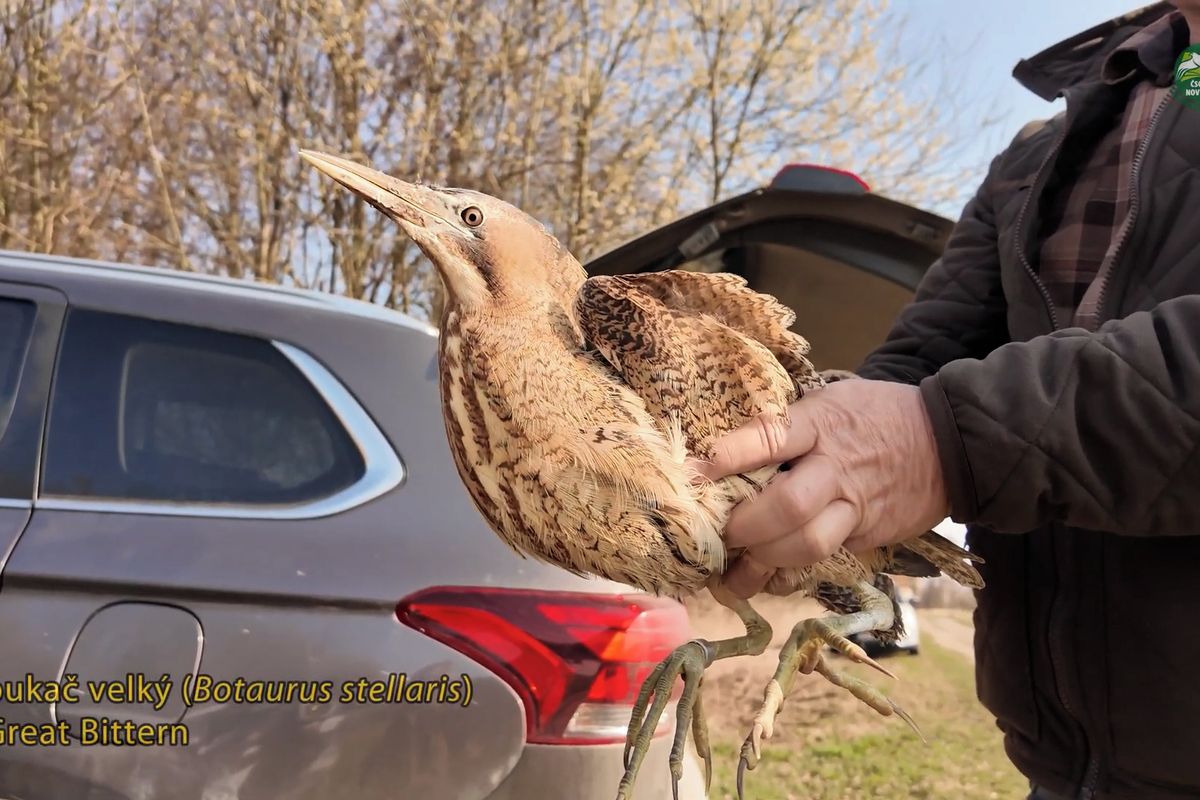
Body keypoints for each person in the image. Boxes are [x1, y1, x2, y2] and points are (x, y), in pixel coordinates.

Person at [697, 3, 1200, 799]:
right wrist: (803, 462)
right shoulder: (1044, 148)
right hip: (1064, 767)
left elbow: (936, 428)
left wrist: (944, 444)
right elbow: (925, 352)